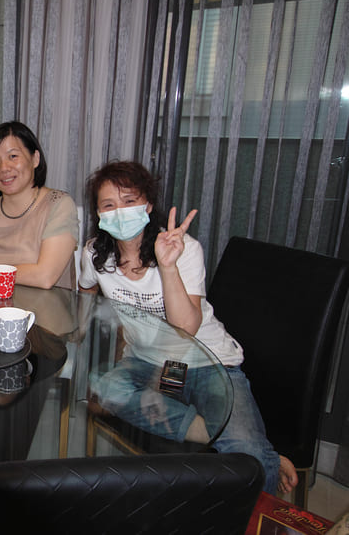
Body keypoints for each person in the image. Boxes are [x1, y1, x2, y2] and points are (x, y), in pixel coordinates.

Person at [78, 160, 298, 495]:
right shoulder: (95, 254)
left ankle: (252, 455)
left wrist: (168, 266)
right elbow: (86, 290)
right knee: (102, 394)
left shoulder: (183, 249)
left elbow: (185, 328)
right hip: (146, 360)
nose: (119, 212)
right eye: (108, 205)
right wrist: (87, 330)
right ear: (98, 213)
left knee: (250, 458)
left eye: (129, 201)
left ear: (148, 205)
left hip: (207, 360)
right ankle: (219, 433)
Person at [0, 120, 79, 289]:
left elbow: (45, 276)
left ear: (35, 159)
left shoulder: (58, 205)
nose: (4, 168)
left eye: (13, 156)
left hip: (44, 306)